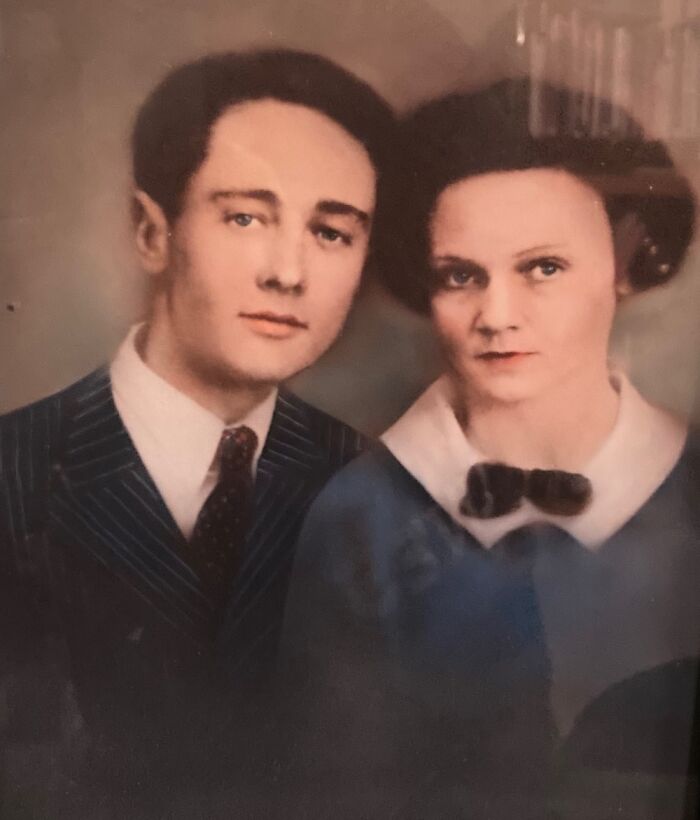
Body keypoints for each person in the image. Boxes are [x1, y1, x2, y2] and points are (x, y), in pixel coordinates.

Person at [279, 79, 698, 819]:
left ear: (628, 264)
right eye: (460, 276)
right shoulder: (361, 517)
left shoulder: (690, 483)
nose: (496, 317)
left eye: (544, 268)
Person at [0, 49, 395, 817]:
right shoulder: (12, 472)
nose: (290, 273)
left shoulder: (383, 491)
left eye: (333, 233)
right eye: (246, 217)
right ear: (152, 232)